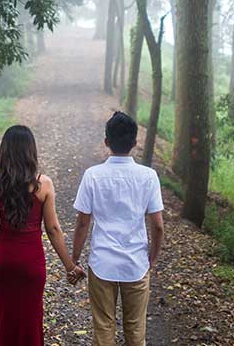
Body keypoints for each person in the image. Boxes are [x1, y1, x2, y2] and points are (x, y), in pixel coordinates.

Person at [0, 124, 84, 346]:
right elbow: (53, 229)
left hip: (1, 263)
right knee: (29, 321)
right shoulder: (43, 184)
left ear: (4, 151)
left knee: (3, 319)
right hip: (30, 262)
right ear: (31, 150)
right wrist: (70, 266)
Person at [72, 111, 165, 346]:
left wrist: (75, 259)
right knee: (135, 330)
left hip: (102, 262)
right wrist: (152, 258)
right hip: (136, 263)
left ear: (106, 141)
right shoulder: (148, 177)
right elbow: (158, 226)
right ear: (134, 143)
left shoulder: (93, 176)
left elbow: (83, 223)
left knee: (103, 328)